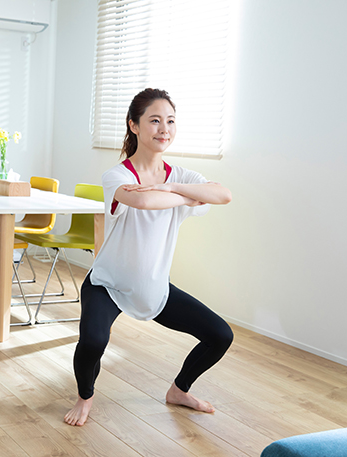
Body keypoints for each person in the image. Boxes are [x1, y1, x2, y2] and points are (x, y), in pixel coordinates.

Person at [64, 88, 234, 426]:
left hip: (154, 287)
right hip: (107, 284)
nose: (164, 129)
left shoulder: (179, 177)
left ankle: (179, 390)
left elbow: (223, 194)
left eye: (170, 121)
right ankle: (85, 396)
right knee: (93, 341)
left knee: (220, 335)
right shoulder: (117, 176)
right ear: (134, 125)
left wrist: (172, 188)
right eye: (154, 120)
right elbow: (143, 202)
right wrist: (190, 196)